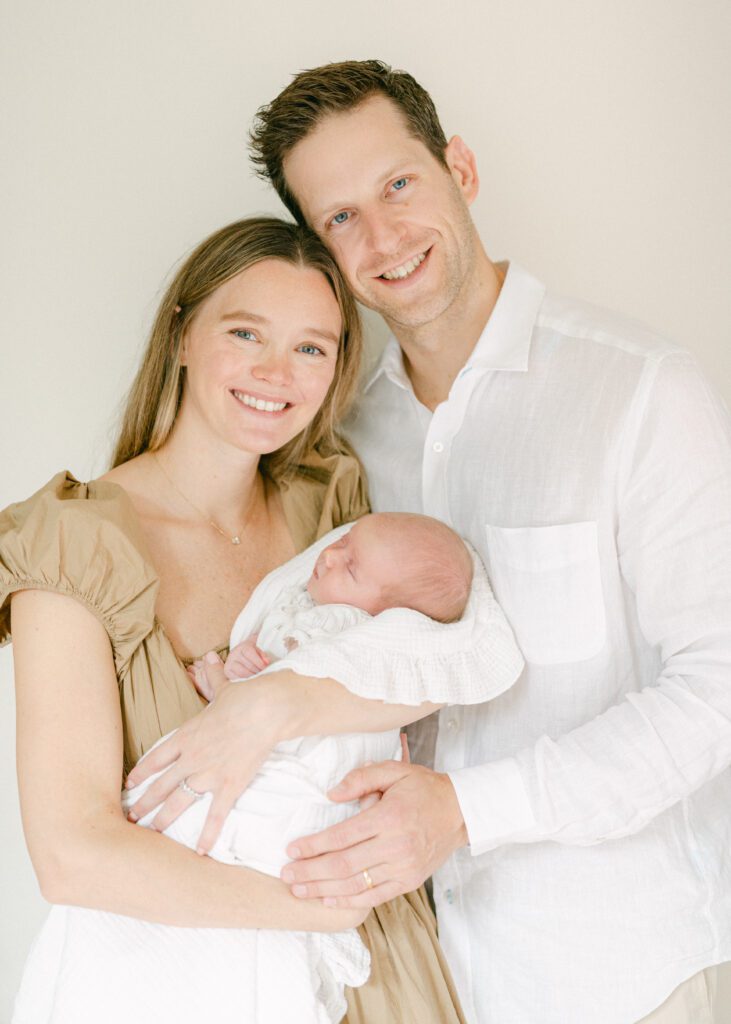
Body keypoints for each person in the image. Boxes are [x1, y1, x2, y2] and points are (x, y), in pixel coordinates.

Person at [237, 61, 729, 1023]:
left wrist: (466, 811)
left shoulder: (641, 392)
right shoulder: (340, 447)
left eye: (397, 185)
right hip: (422, 979)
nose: (381, 238)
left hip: (625, 971)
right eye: (339, 218)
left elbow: (718, 692)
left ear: (458, 167)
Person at [0, 215, 517, 1024]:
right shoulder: (73, 543)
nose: (278, 372)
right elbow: (75, 857)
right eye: (246, 333)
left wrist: (273, 706)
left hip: (382, 975)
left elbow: (462, 657)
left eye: (313, 347)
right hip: (221, 968)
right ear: (179, 335)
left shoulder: (331, 506)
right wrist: (319, 910)